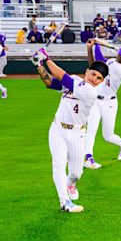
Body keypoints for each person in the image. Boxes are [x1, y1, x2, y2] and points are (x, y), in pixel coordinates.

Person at [31, 50, 106, 214]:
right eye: (93, 74)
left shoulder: (90, 91)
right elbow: (50, 83)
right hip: (58, 128)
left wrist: (47, 59)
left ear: (101, 82)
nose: (94, 79)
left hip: (77, 134)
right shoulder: (75, 80)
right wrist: (38, 65)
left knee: (76, 173)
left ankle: (70, 183)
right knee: (58, 163)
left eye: (98, 78)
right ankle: (64, 201)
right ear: (87, 71)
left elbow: (61, 75)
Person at [83, 40, 121, 168]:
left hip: (109, 102)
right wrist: (90, 48)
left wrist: (97, 43)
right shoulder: (112, 61)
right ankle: (88, 157)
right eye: (120, 54)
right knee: (91, 130)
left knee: (108, 136)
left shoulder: (119, 68)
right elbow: (94, 65)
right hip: (96, 100)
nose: (119, 57)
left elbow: (99, 58)